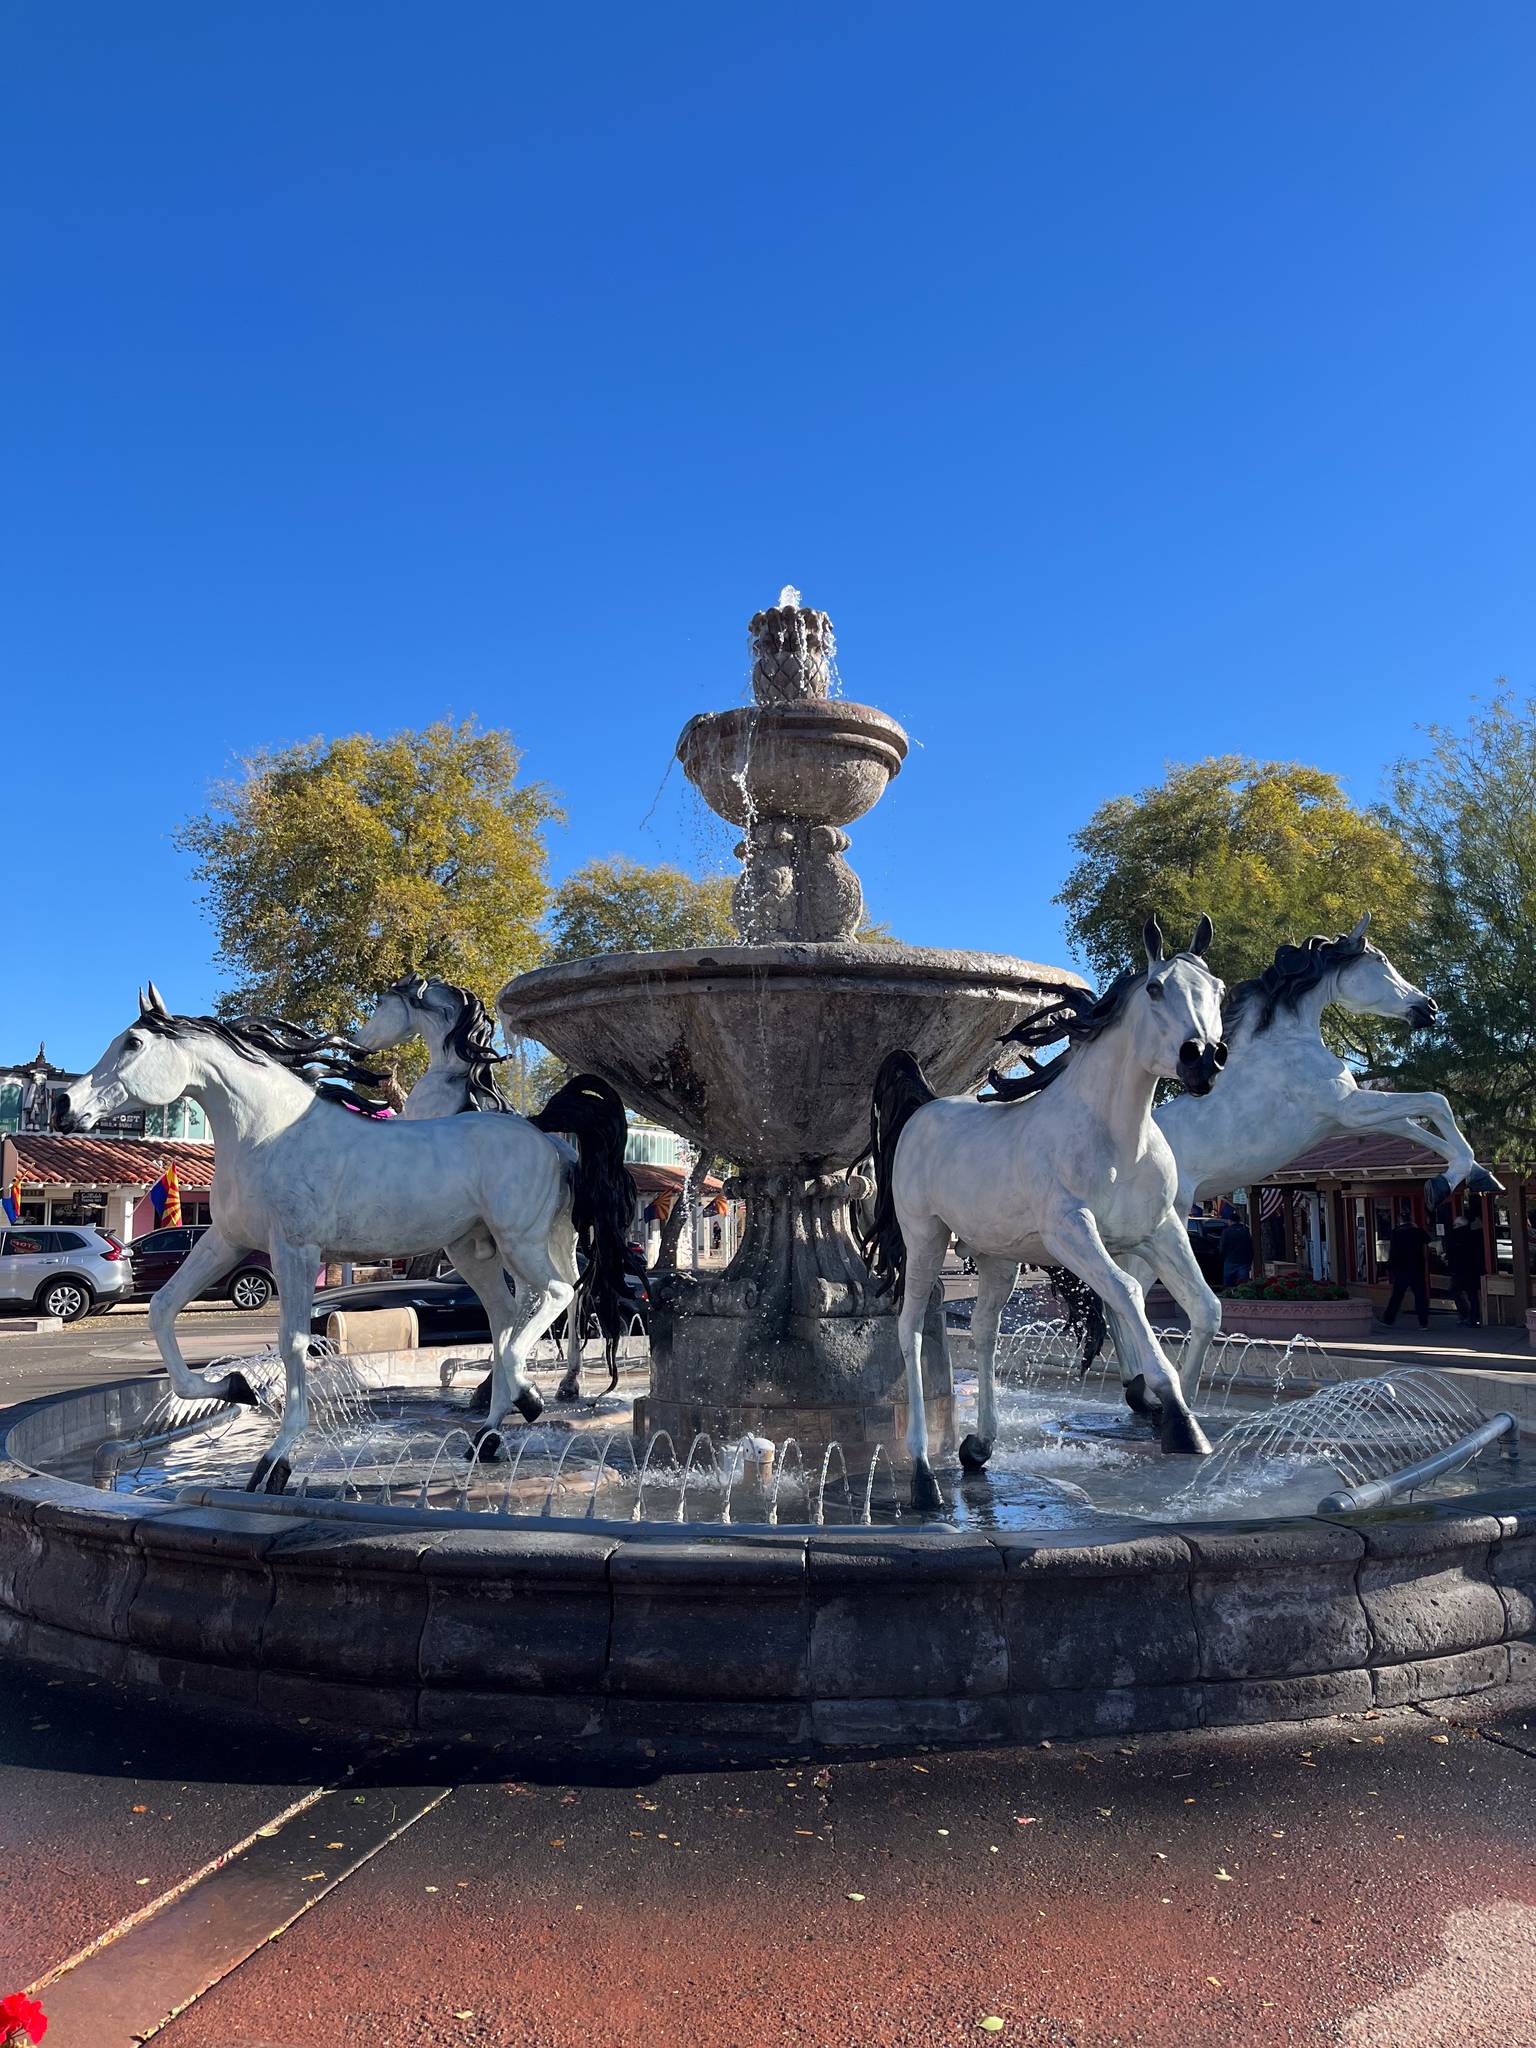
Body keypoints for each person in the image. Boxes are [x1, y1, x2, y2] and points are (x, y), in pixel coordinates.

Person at [1381, 1214, 1431, 1328]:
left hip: (1401, 1269)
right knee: (1420, 1296)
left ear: (1400, 1221)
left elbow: (1393, 1252)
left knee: (1397, 1296)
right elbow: (1427, 1239)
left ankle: (1388, 1319)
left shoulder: (1397, 1232)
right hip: (1416, 1268)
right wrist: (1417, 1228)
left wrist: (1390, 1267)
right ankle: (1423, 1323)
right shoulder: (1417, 1231)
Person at [1445, 1213, 1485, 1328]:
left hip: (1460, 1270)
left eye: (1456, 1224)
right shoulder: (1474, 1235)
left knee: (1456, 1292)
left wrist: (1450, 1266)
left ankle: (1466, 1315)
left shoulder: (1455, 1236)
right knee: (1472, 1295)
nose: (1454, 1226)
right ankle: (1473, 1318)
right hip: (1472, 1270)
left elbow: (1452, 1254)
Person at [1219, 1215, 1253, 1288]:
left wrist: (1222, 1257)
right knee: (1242, 1285)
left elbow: (1222, 1247)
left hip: (1230, 1259)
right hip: (1244, 1260)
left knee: (1228, 1284)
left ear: (1230, 1221)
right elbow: (1250, 1246)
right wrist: (1249, 1260)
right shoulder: (1245, 1231)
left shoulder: (1226, 1231)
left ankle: (1229, 1296)